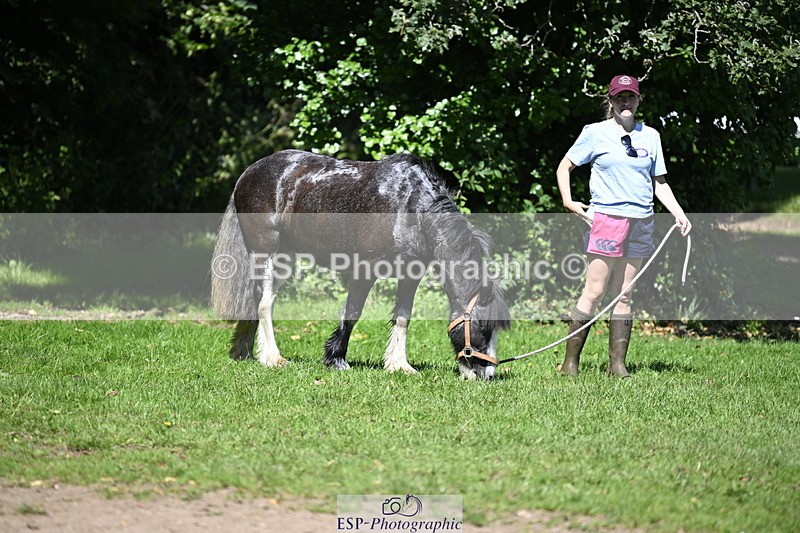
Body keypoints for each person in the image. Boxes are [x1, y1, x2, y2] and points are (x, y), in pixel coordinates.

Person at [555, 74, 691, 378]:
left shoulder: (651, 136)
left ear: (639, 99)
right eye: (619, 97)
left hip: (641, 222)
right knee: (594, 292)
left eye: (630, 96)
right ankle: (569, 364)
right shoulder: (595, 133)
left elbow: (660, 183)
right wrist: (568, 201)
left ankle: (617, 364)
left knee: (625, 294)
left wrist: (679, 213)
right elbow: (565, 166)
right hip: (606, 220)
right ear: (610, 101)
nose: (625, 101)